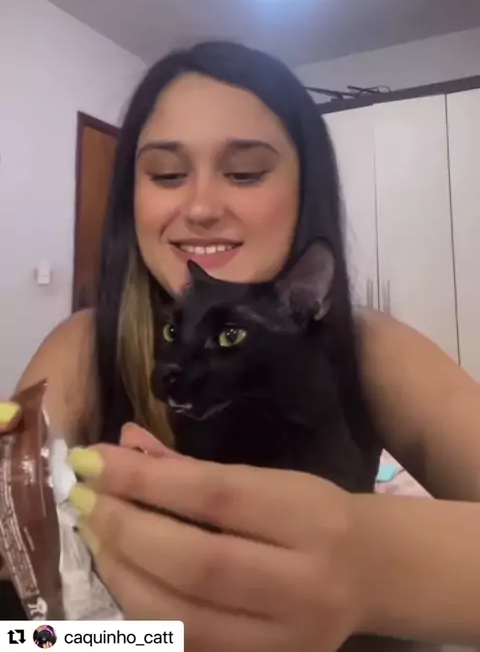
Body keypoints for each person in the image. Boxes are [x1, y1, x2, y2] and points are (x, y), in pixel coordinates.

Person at [1, 41, 480, 649]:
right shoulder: (82, 345)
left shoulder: (371, 346)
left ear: (306, 192)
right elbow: (30, 633)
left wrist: (375, 565)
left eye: (246, 172)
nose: (200, 207)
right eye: (167, 175)